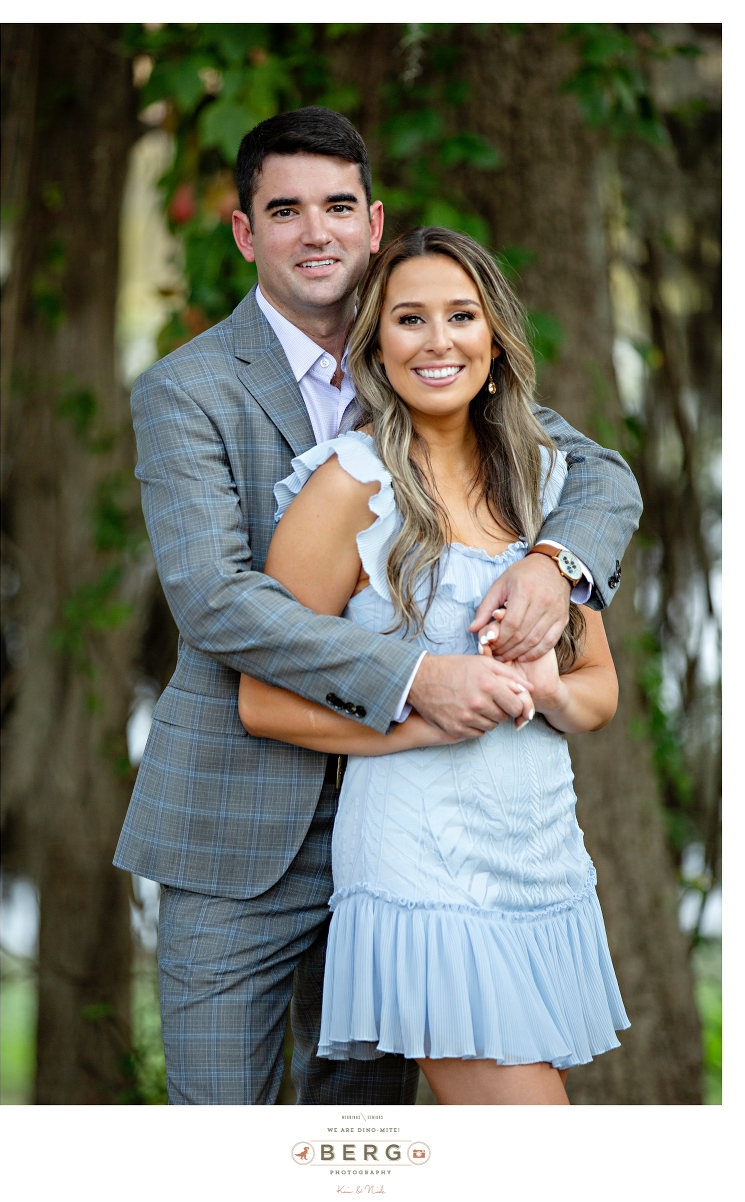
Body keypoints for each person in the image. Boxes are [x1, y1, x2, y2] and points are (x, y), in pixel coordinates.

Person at [113, 107, 641, 1106]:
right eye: (286, 210)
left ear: (372, 219)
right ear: (244, 232)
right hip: (244, 816)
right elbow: (218, 601)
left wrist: (553, 563)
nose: (317, 231)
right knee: (225, 1132)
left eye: (339, 206)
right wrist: (418, 681)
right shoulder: (186, 391)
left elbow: (597, 474)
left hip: (413, 829)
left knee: (368, 1143)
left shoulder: (421, 351)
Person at [238, 226, 630, 1105]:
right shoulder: (347, 486)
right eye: (410, 318)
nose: (438, 340)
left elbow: (599, 691)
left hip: (541, 860)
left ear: (495, 341)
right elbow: (263, 701)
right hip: (422, 870)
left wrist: (548, 690)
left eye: (461, 316)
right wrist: (420, 717)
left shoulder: (547, 486)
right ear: (377, 345)